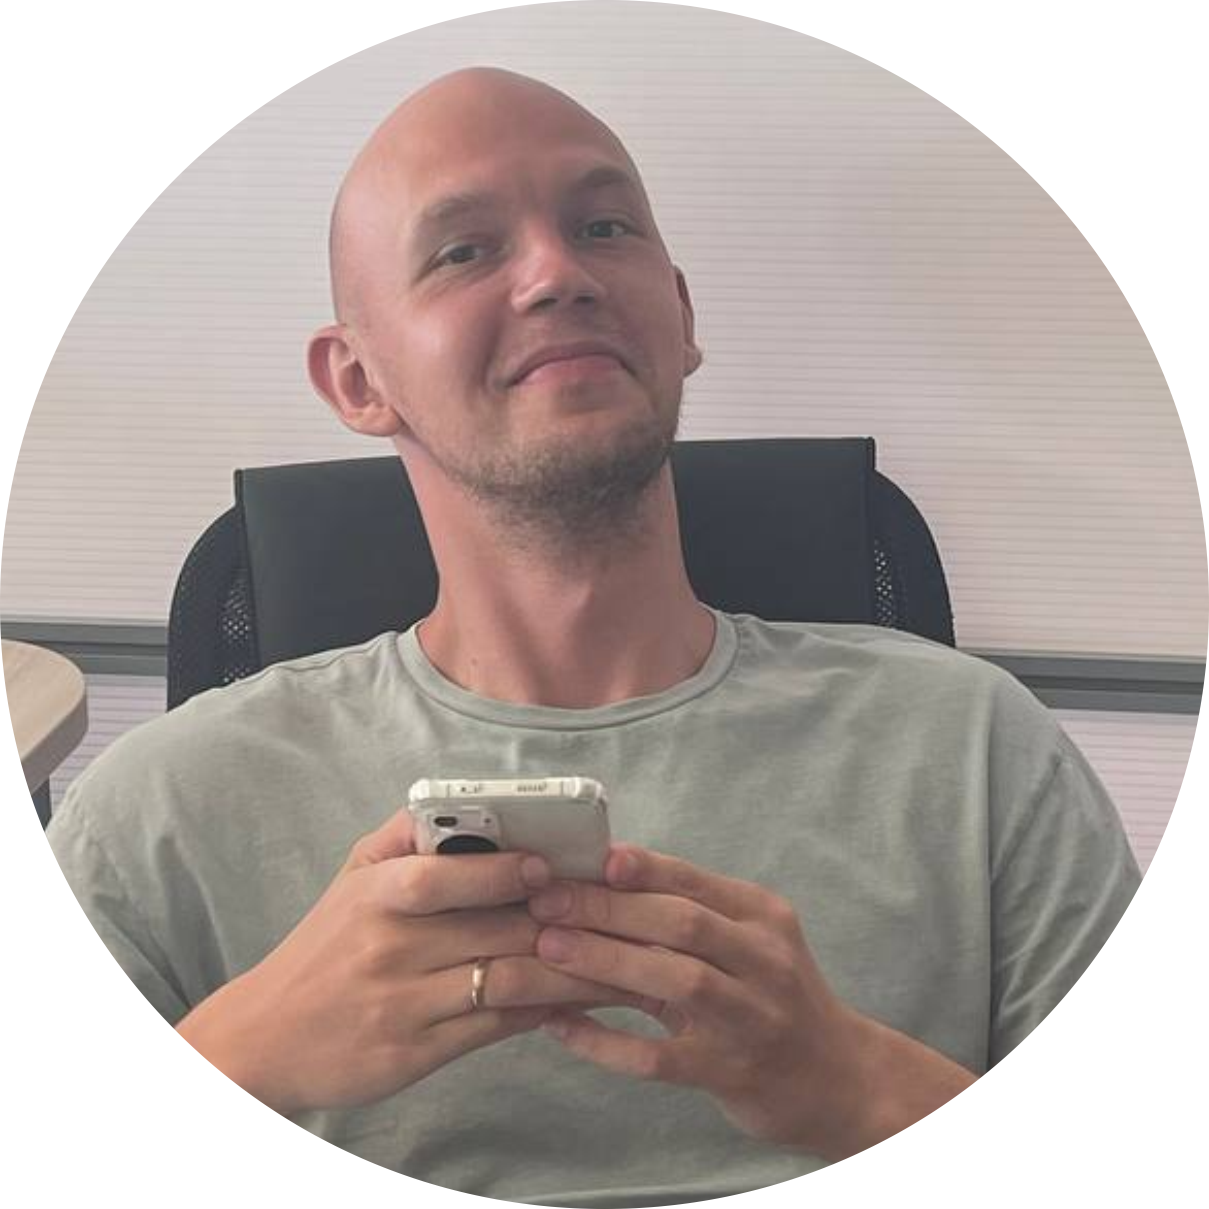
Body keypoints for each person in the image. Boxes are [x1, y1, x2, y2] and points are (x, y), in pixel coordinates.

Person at [47, 67, 1141, 1205]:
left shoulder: (976, 748)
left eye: (603, 227)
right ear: (358, 380)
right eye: (463, 251)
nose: (558, 274)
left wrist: (855, 1082)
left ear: (682, 317)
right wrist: (237, 1061)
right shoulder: (158, 813)